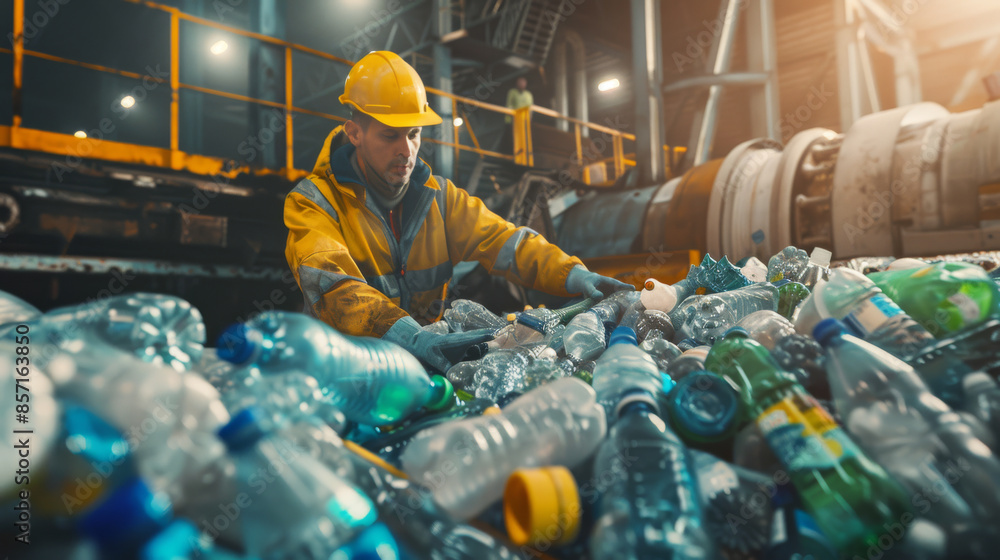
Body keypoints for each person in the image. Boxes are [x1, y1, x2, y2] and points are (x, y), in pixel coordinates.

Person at [284, 51, 630, 372]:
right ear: (355, 133)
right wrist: (411, 337)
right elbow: (334, 286)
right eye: (391, 136)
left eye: (414, 133)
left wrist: (575, 275)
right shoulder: (314, 203)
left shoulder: (441, 200)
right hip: (340, 370)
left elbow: (506, 242)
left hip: (423, 370)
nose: (407, 150)